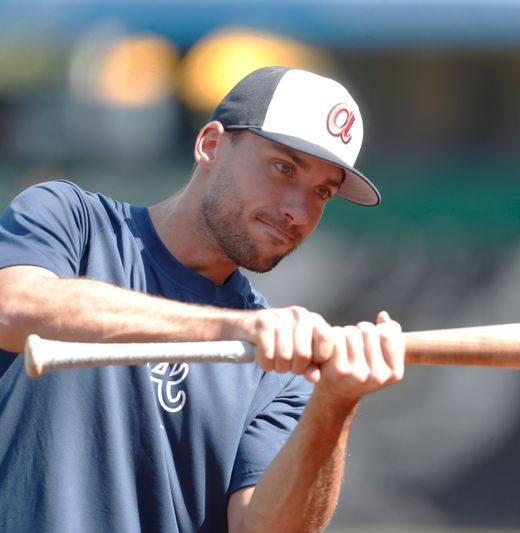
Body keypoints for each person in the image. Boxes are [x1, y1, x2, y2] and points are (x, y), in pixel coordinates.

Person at [0, 66, 406, 532]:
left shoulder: (282, 374)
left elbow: (265, 528)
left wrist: (337, 403)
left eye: (321, 192)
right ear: (210, 144)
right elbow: (16, 309)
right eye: (283, 167)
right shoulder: (71, 221)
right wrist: (231, 329)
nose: (298, 209)